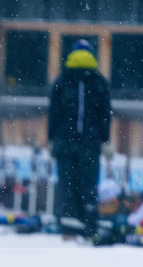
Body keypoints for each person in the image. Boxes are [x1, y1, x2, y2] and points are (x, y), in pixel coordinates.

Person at [48, 39, 112, 238]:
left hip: (64, 141)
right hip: (90, 142)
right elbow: (105, 113)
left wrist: (51, 138)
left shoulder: (62, 79)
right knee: (88, 183)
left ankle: (68, 224)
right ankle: (89, 223)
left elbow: (54, 113)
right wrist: (104, 138)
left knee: (67, 182)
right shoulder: (99, 81)